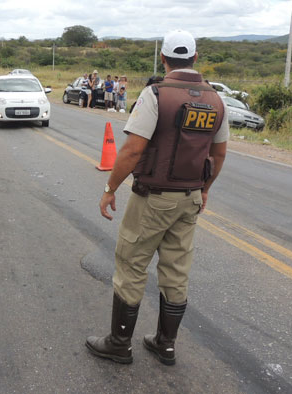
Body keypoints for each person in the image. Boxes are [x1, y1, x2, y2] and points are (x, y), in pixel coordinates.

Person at [86, 30, 229, 365]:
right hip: (190, 197)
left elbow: (134, 149)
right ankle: (165, 344)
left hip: (153, 196)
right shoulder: (216, 100)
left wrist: (110, 189)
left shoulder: (156, 94)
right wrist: (205, 189)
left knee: (132, 264)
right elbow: (219, 155)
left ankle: (119, 343)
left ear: (164, 59)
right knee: (176, 270)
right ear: (195, 59)